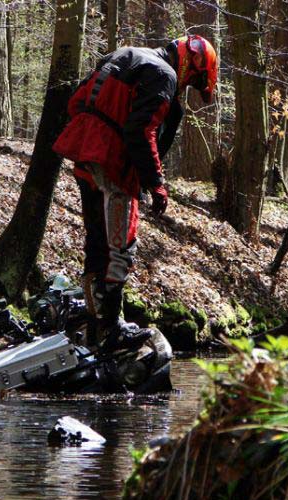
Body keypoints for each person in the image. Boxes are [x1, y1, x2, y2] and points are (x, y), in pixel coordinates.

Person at [52, 35, 218, 353]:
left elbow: (77, 100)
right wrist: (155, 181)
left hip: (84, 151)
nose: (188, 86)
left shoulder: (126, 53)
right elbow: (141, 130)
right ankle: (111, 328)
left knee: (98, 241)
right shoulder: (163, 74)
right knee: (122, 247)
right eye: (195, 80)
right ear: (190, 63)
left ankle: (97, 323)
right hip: (112, 160)